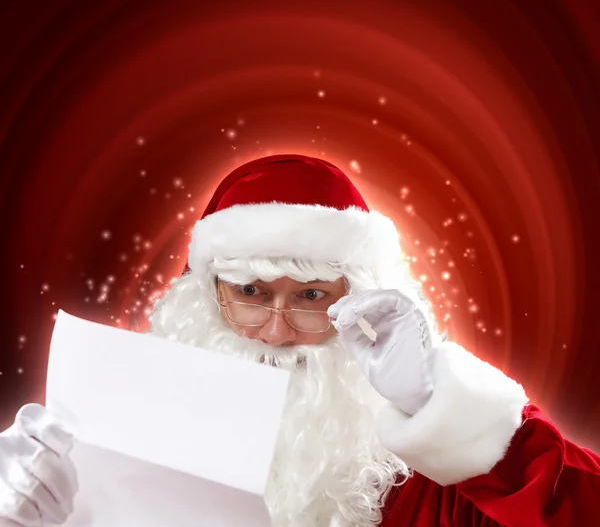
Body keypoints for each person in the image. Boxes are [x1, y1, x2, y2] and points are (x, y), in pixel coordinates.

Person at [1, 153, 599, 527]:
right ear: (207, 302)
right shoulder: (112, 447)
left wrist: (449, 411)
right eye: (251, 294)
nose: (279, 333)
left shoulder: (432, 490)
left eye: (313, 297)